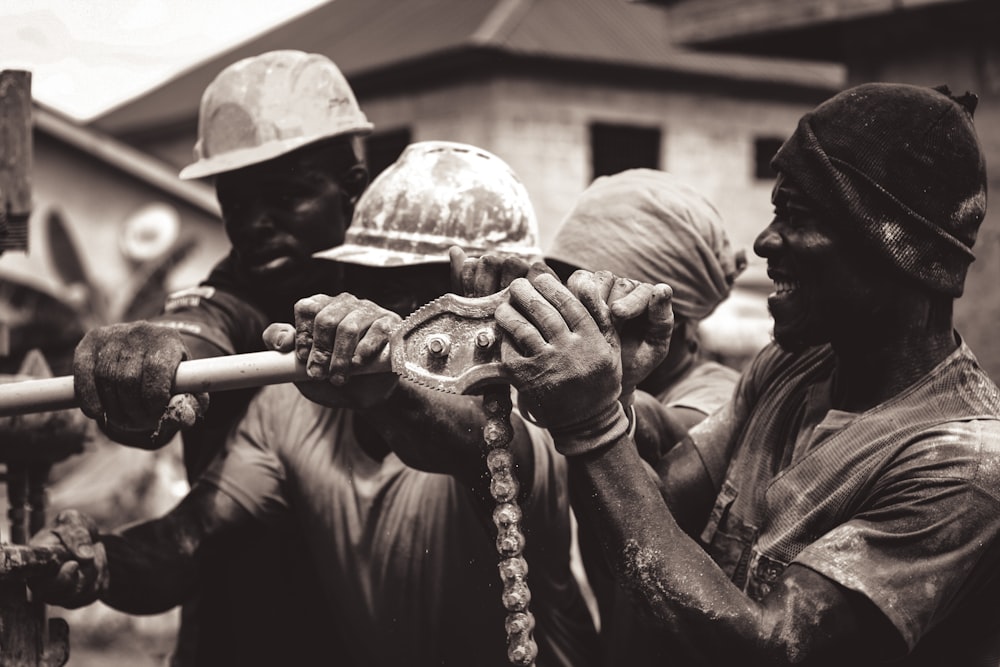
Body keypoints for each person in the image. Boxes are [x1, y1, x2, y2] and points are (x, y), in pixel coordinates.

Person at [31, 142, 600, 667]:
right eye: (375, 278)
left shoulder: (535, 402)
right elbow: (194, 541)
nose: (400, 308)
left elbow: (473, 448)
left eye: (433, 293)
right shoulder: (292, 411)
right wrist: (97, 563)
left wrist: (387, 390)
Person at [493, 82, 1000, 665]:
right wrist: (612, 390)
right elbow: (643, 528)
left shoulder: (962, 468)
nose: (764, 241)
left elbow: (765, 648)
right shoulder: (792, 366)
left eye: (798, 216)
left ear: (893, 249)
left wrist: (592, 421)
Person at [69, 50, 373, 665]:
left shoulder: (400, 295)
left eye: (287, 196)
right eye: (235, 201)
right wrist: (146, 355)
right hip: (239, 631)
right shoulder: (232, 293)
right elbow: (194, 329)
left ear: (352, 189)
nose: (256, 223)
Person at [544, 168, 745, 664]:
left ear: (653, 304)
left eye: (586, 291)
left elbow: (660, 437)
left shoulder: (716, 400)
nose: (565, 306)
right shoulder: (597, 390)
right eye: (562, 282)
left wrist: (600, 398)